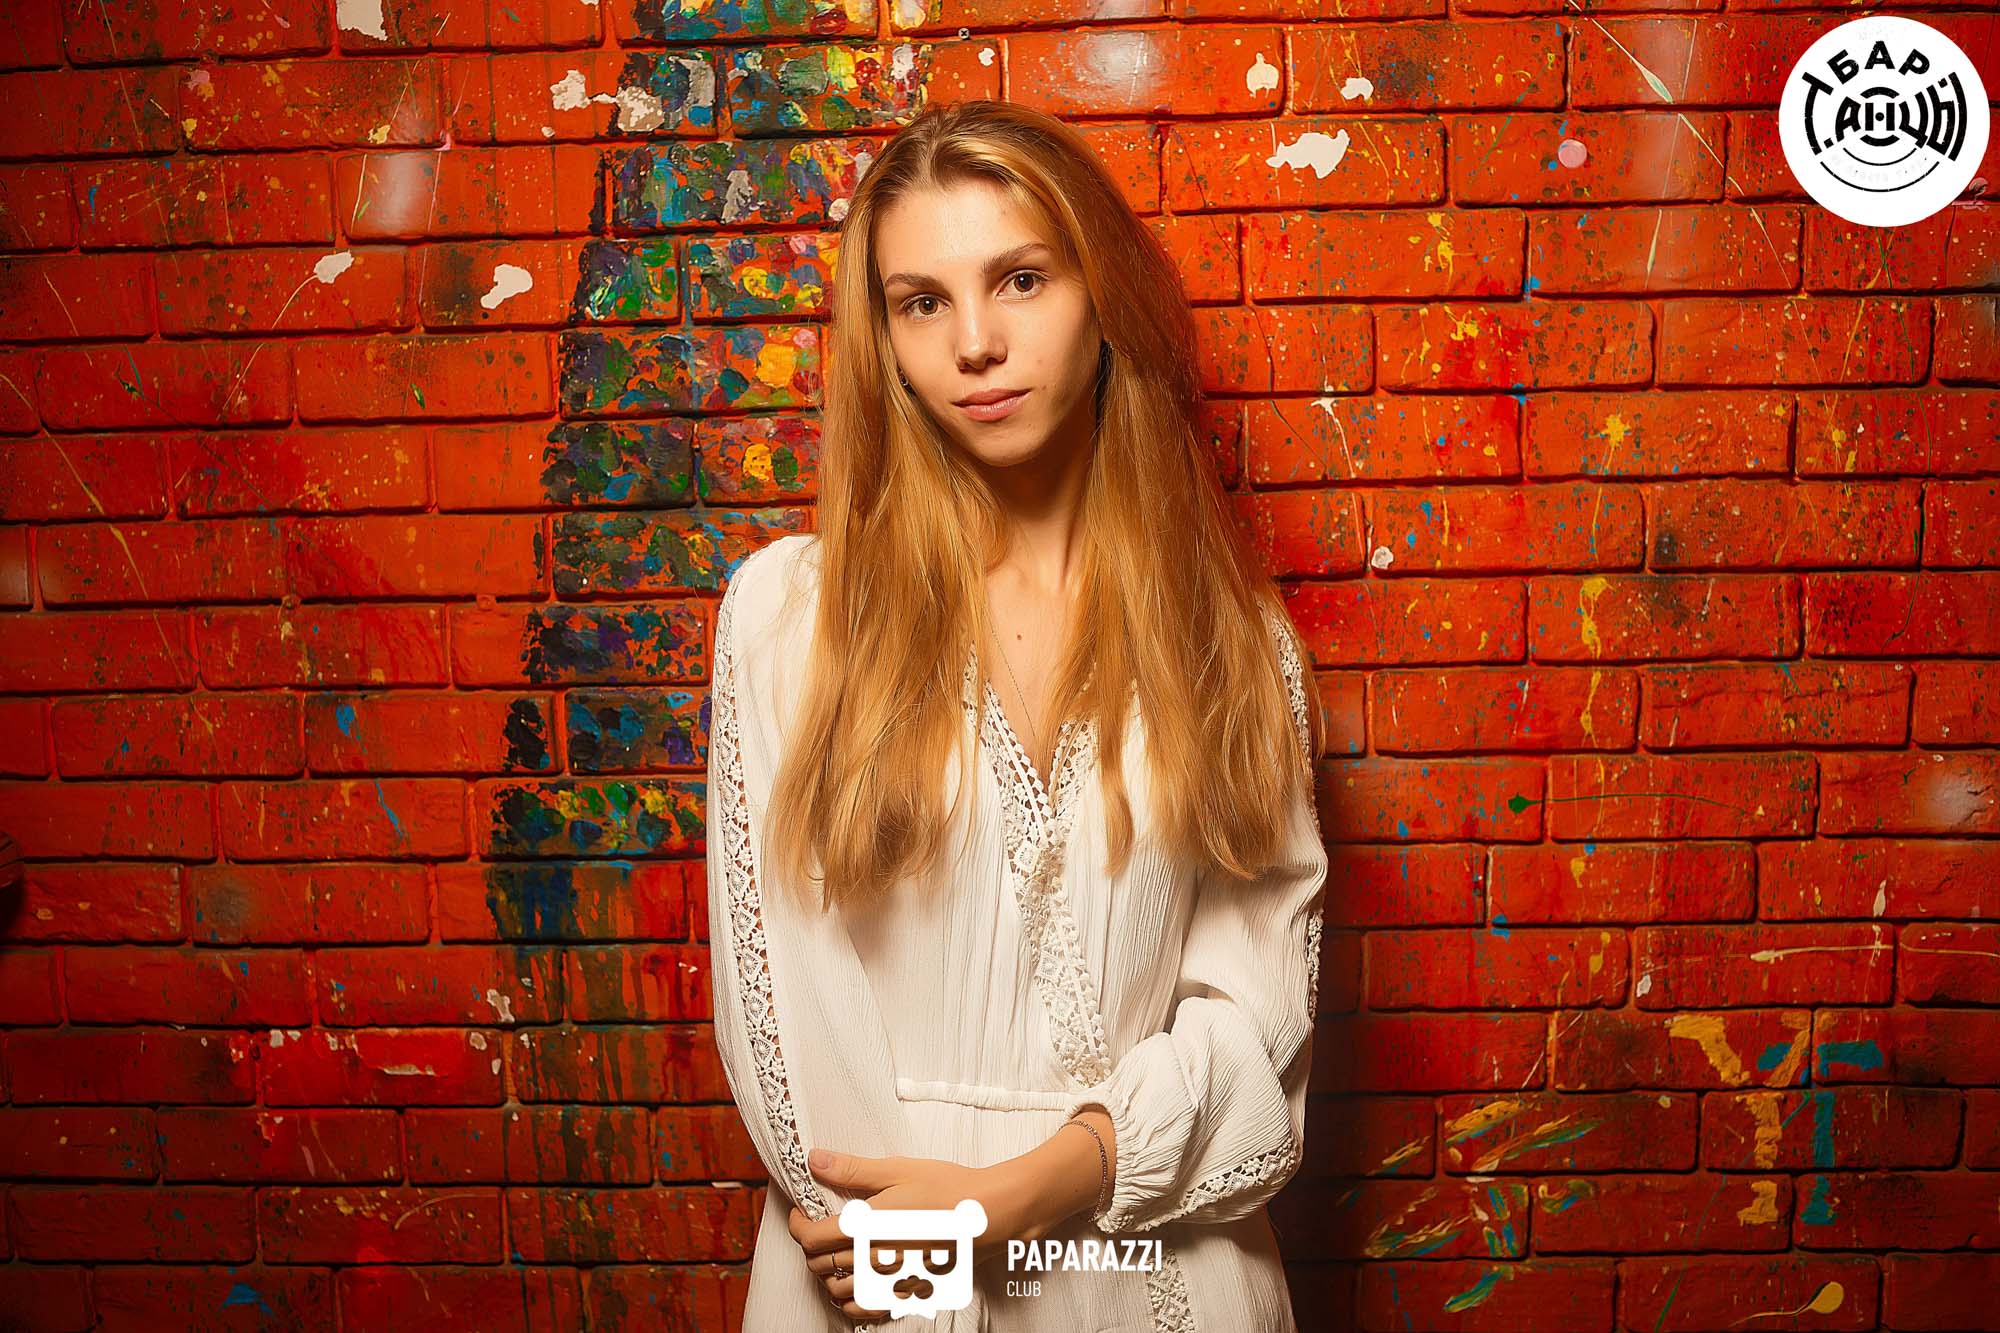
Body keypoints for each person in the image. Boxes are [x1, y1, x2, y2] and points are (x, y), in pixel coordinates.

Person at [706, 98, 1330, 1332]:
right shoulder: (789, 619)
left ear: (1102, 297)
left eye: (1020, 279)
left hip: (1166, 1279)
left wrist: (1024, 1194)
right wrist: (931, 1261)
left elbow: (1254, 1029)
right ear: (883, 339)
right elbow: (788, 1030)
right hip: (881, 1274)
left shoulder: (1235, 647)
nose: (974, 344)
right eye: (919, 302)